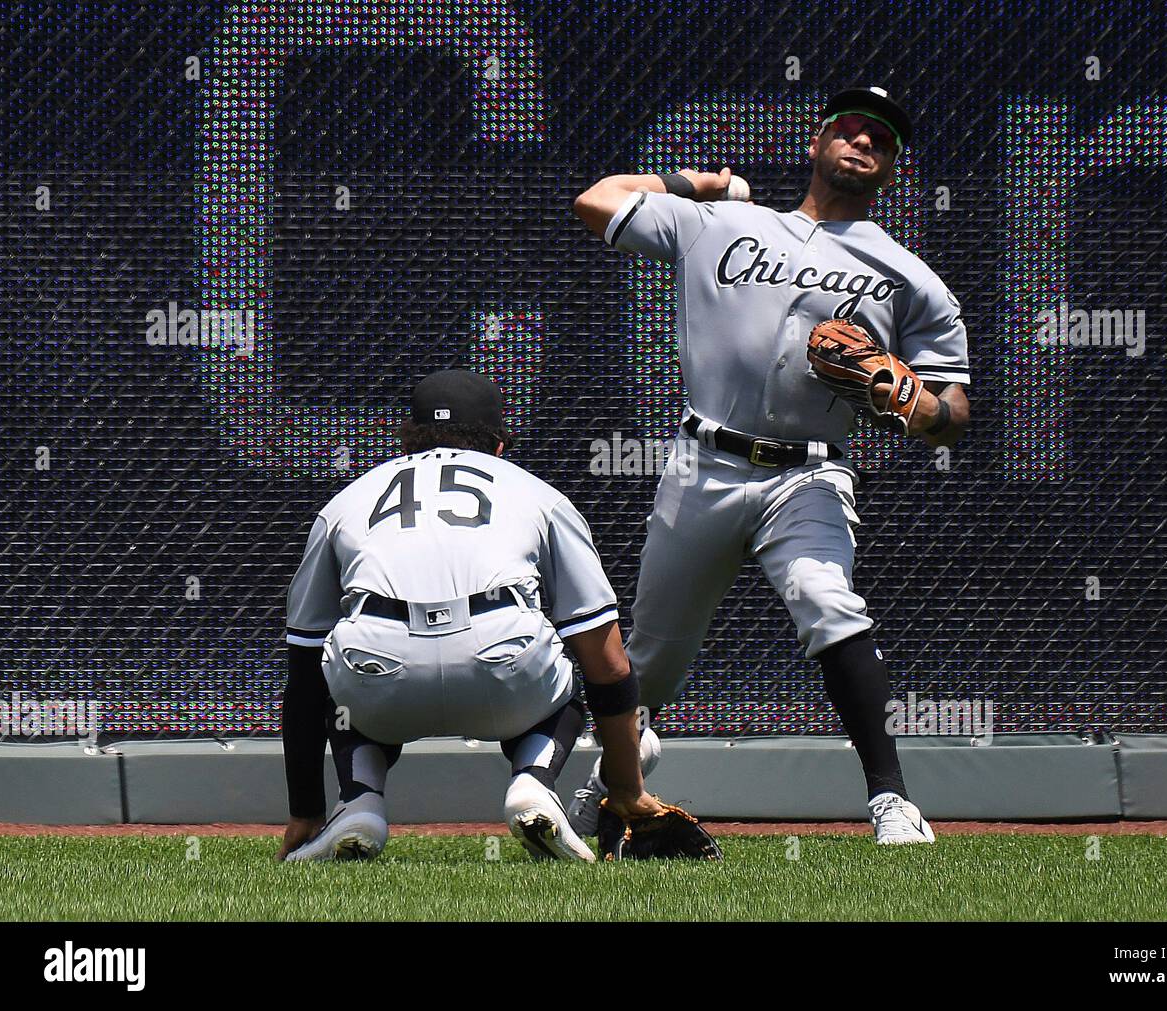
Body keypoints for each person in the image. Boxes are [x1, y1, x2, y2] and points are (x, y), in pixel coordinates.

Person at [568, 86, 970, 844]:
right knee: (649, 658)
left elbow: (952, 415)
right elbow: (596, 201)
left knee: (828, 599)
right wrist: (707, 184)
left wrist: (910, 398)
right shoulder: (723, 220)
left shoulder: (909, 276)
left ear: (890, 169)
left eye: (879, 140)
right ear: (817, 142)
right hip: (703, 462)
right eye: (849, 128)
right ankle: (609, 788)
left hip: (809, 473)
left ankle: (893, 802)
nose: (862, 142)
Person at [278, 369, 664, 862]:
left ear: (405, 441)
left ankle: (359, 801)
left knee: (337, 674)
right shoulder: (539, 494)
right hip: (503, 666)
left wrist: (302, 812)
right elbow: (607, 662)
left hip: (381, 676)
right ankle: (532, 783)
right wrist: (627, 788)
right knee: (568, 685)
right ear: (500, 445)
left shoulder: (349, 499)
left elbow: (305, 673)